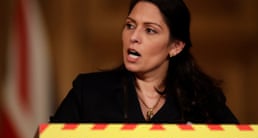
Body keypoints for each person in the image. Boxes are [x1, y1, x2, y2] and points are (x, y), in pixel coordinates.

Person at [50, 0, 238, 124]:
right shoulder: (88, 92)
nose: (134, 37)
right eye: (130, 25)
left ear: (175, 47)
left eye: (150, 30)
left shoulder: (204, 101)